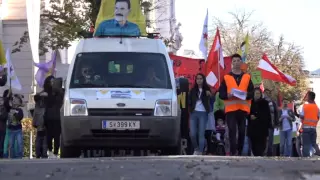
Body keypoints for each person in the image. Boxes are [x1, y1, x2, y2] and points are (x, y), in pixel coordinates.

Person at [219, 53, 254, 156]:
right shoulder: (226, 77)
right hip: (231, 109)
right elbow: (221, 93)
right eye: (234, 61)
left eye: (238, 61)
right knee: (232, 131)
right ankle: (234, 152)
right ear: (231, 63)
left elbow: (252, 93)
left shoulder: (247, 77)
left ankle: (239, 150)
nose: (236, 63)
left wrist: (247, 95)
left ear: (241, 62)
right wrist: (227, 95)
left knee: (242, 131)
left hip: (243, 109)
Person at [34, 76, 64, 158]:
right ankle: (50, 151)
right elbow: (36, 98)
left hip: (58, 117)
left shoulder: (60, 92)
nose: (52, 83)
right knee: (49, 136)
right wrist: (41, 95)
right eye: (51, 81)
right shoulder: (46, 91)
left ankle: (55, 152)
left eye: (54, 81)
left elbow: (59, 100)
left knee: (57, 136)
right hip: (48, 117)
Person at [189, 73, 211, 155]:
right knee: (192, 134)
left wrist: (210, 95)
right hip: (194, 113)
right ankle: (196, 148)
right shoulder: (193, 90)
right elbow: (189, 100)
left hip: (203, 113)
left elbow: (212, 100)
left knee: (201, 133)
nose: (199, 80)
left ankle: (201, 151)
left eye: (201, 78)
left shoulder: (207, 90)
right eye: (197, 78)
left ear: (203, 79)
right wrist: (190, 109)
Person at [247, 88, 271, 156]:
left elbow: (267, 115)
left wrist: (258, 116)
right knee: (253, 143)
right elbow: (246, 113)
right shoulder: (250, 103)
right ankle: (256, 154)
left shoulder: (265, 103)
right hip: (252, 127)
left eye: (259, 93)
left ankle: (260, 154)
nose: (257, 95)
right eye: (256, 93)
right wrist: (249, 116)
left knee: (261, 144)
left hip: (262, 127)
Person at [299, 91, 320, 157]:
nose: (306, 97)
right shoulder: (316, 107)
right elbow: (318, 116)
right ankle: (317, 154)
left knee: (305, 146)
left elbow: (302, 116)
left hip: (306, 128)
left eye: (307, 96)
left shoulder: (305, 106)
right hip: (313, 128)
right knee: (313, 143)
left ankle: (306, 161)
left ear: (309, 97)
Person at [7, 94, 24, 159]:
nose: (14, 101)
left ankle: (19, 156)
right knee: (11, 144)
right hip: (11, 129)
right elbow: (7, 103)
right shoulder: (9, 109)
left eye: (16, 100)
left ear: (19, 103)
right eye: (13, 100)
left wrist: (15, 113)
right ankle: (12, 156)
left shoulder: (20, 110)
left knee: (20, 143)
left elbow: (20, 117)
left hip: (18, 129)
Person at [263, 89, 279, 156]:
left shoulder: (273, 102)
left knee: (270, 140)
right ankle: (262, 152)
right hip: (262, 125)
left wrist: (276, 123)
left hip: (271, 124)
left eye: (268, 93)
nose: (267, 94)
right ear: (263, 93)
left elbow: (276, 113)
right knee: (263, 140)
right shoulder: (261, 102)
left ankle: (269, 153)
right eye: (266, 93)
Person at [33, 92, 48, 159]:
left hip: (38, 124)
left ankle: (38, 153)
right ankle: (44, 154)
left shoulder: (37, 106)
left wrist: (34, 123)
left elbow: (35, 116)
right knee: (44, 140)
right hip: (45, 124)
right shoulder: (46, 106)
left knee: (38, 140)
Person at [0, 90, 10, 158]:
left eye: (1, 100)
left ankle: (1, 154)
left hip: (2, 128)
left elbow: (4, 117)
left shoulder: (4, 108)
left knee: (2, 141)